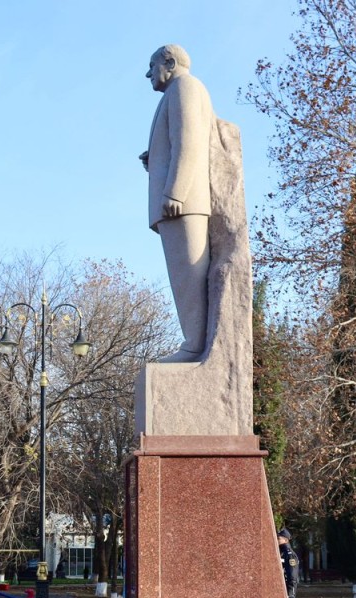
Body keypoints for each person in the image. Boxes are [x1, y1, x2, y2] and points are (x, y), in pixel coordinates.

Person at [140, 44, 215, 362]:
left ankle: (195, 344)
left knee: (189, 277)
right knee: (183, 277)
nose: (148, 74)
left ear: (169, 62)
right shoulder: (176, 92)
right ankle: (194, 341)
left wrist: (175, 192)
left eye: (152, 65)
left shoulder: (186, 86)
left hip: (183, 203)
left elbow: (190, 142)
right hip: (176, 203)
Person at [278, 528, 299, 598]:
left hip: (288, 586)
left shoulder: (290, 554)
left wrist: (290, 586)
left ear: (286, 540)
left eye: (279, 539)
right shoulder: (281, 552)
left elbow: (292, 573)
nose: (277, 541)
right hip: (282, 586)